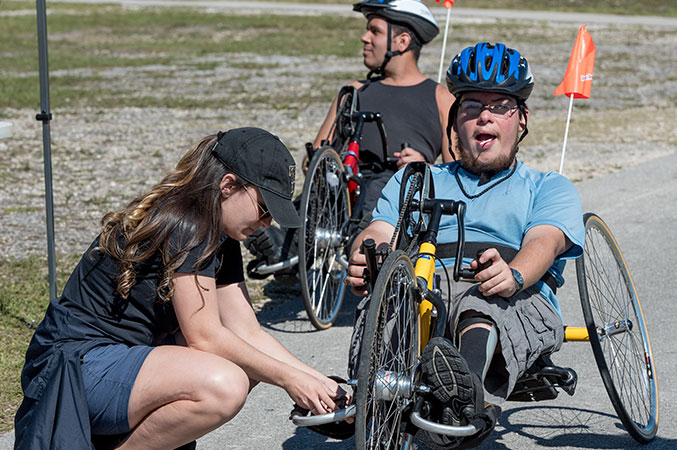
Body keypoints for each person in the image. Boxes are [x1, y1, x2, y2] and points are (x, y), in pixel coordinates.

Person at [14, 128, 345, 450]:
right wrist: (289, 380)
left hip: (115, 360)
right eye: (264, 208)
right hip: (70, 368)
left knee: (247, 362)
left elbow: (246, 332)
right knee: (224, 385)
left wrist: (320, 385)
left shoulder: (219, 231)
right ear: (228, 186)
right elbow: (206, 337)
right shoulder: (187, 225)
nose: (267, 224)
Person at [345, 42, 586, 448]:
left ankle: (463, 396)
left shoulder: (548, 186)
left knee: (483, 301)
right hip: (426, 284)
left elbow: (546, 239)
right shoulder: (415, 179)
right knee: (396, 294)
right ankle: (367, 391)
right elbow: (381, 230)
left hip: (510, 292)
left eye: (500, 106)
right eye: (472, 106)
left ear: (522, 120)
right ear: (455, 122)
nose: (484, 116)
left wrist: (514, 274)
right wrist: (365, 254)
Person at [244, 0, 454, 279]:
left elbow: (457, 173)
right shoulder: (353, 91)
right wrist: (323, 161)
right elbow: (315, 157)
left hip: (396, 187)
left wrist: (423, 166)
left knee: (378, 196)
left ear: (402, 41)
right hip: (343, 182)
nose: (364, 38)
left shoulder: (440, 98)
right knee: (321, 187)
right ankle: (288, 244)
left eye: (375, 31)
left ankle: (361, 252)